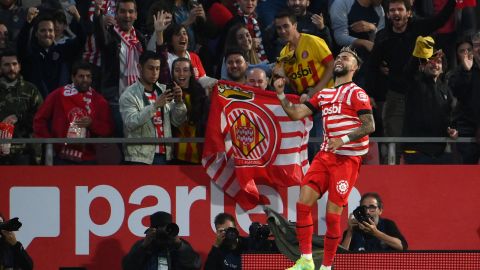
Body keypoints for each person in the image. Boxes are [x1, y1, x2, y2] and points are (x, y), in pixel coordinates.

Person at [274, 46, 375, 270]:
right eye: (338, 57)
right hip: (325, 155)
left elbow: (370, 125)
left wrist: (344, 139)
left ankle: (327, 267)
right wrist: (281, 94)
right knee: (302, 204)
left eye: (346, 58)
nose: (340, 59)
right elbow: (296, 113)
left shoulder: (356, 93)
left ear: (355, 67)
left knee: (332, 217)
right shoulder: (325, 93)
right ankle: (307, 260)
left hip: (347, 160)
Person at [366, 0, 456, 163]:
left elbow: (440, 20)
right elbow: (372, 66)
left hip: (422, 93)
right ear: (387, 14)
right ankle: (393, 181)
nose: (396, 13)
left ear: (409, 13)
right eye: (392, 10)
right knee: (395, 143)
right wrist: (370, 93)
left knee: (422, 143)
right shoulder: (383, 37)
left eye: (400, 9)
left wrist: (452, 2)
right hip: (397, 95)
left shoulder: (419, 27)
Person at [33, 61, 114, 165]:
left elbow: (108, 129)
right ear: (72, 77)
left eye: (88, 76)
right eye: (81, 76)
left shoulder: (99, 100)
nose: (85, 80)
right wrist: (50, 142)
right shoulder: (58, 95)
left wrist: (92, 124)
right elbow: (39, 119)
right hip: (61, 156)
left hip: (88, 157)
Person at [119, 51, 187, 165]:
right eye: (150, 68)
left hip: (166, 155)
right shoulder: (128, 95)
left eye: (157, 68)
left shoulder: (164, 90)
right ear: (140, 68)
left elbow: (177, 121)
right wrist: (155, 106)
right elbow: (130, 122)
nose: (155, 73)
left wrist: (179, 102)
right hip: (139, 158)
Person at [93, 0, 146, 137]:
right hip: (115, 99)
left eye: (130, 12)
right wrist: (98, 16)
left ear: (136, 15)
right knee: (117, 140)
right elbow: (101, 38)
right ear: (116, 14)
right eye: (122, 11)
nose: (126, 15)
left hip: (138, 98)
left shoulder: (140, 38)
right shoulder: (110, 36)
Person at [402, 36, 457, 164]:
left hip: (440, 152)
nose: (434, 64)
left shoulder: (446, 90)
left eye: (438, 62)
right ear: (421, 66)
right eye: (430, 61)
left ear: (443, 67)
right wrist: (418, 53)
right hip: (416, 152)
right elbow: (407, 72)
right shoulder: (414, 82)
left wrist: (453, 128)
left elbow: (450, 115)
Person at [16, 5, 86, 98]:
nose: (47, 34)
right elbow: (21, 45)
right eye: (43, 30)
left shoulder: (62, 50)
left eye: (50, 30)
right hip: (37, 104)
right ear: (36, 34)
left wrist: (77, 17)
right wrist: (28, 23)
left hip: (60, 103)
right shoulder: (30, 53)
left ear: (54, 32)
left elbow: (81, 40)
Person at [0, 50, 43, 165]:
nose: (11, 68)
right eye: (7, 65)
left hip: (23, 151)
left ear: (19, 66)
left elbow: (41, 118)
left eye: (14, 64)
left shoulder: (30, 89)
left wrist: (20, 118)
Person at [122, 211, 202, 270]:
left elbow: (196, 265)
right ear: (151, 230)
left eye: (166, 228)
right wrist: (144, 246)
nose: (163, 232)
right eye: (159, 228)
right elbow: (127, 266)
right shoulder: (144, 244)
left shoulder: (179, 244)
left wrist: (179, 245)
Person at [448, 32, 480, 164]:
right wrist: (466, 71)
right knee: (466, 175)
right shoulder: (457, 72)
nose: (467, 53)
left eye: (470, 49)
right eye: (462, 51)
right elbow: (457, 93)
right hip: (467, 130)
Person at [171, 57, 209, 164]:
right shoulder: (167, 94)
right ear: (172, 73)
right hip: (175, 155)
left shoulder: (201, 95)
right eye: (177, 70)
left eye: (185, 70)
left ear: (191, 73)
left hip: (199, 154)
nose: (181, 74)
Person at [341, 192, 408, 251]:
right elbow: (340, 258)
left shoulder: (387, 225)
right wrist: (349, 232)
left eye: (372, 207)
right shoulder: (354, 228)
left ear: (380, 210)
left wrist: (376, 233)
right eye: (364, 208)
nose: (367, 212)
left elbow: (402, 246)